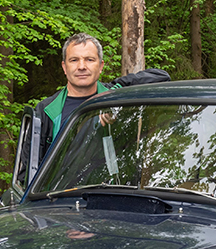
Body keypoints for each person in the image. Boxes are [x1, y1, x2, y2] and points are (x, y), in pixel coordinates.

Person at [37, 33, 170, 157]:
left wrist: (118, 88)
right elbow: (29, 170)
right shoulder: (47, 110)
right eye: (74, 60)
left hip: (112, 182)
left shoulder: (113, 97)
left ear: (100, 66)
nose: (81, 66)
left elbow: (161, 76)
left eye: (89, 59)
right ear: (64, 67)